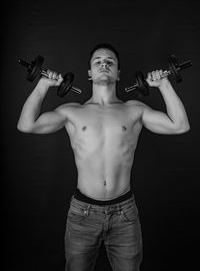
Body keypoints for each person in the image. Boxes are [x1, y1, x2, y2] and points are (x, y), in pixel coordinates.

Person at [17, 43, 190, 271]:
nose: (104, 64)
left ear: (118, 73)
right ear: (89, 73)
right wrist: (44, 84)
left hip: (124, 213)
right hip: (82, 213)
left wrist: (164, 84)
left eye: (110, 61)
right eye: (97, 61)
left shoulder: (134, 109)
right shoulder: (72, 112)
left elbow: (180, 126)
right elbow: (26, 125)